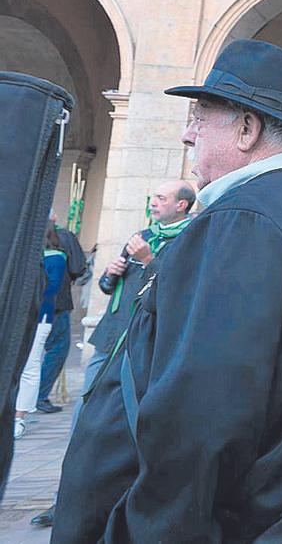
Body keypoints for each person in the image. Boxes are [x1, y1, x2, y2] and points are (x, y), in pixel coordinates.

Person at [54, 39, 282, 541]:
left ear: (247, 129)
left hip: (236, 520)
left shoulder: (244, 220)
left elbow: (200, 419)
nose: (187, 135)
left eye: (200, 118)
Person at [29, 179, 195, 529]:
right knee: (84, 421)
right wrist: (110, 273)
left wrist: (148, 260)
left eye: (162, 199)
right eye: (153, 198)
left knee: (134, 430)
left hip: (148, 345)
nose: (153, 203)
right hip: (111, 338)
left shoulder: (189, 241)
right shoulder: (142, 235)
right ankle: (65, 503)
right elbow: (107, 286)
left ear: (181, 205)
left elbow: (180, 290)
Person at [14, 224, 67, 440]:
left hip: (39, 316)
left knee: (30, 365)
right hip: (15, 315)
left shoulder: (56, 258)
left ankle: (19, 417)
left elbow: (52, 288)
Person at [36, 211, 86, 414]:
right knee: (57, 349)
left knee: (28, 353)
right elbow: (77, 267)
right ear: (54, 217)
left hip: (30, 304)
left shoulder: (24, 234)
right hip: (55, 304)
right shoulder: (63, 237)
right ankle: (38, 395)